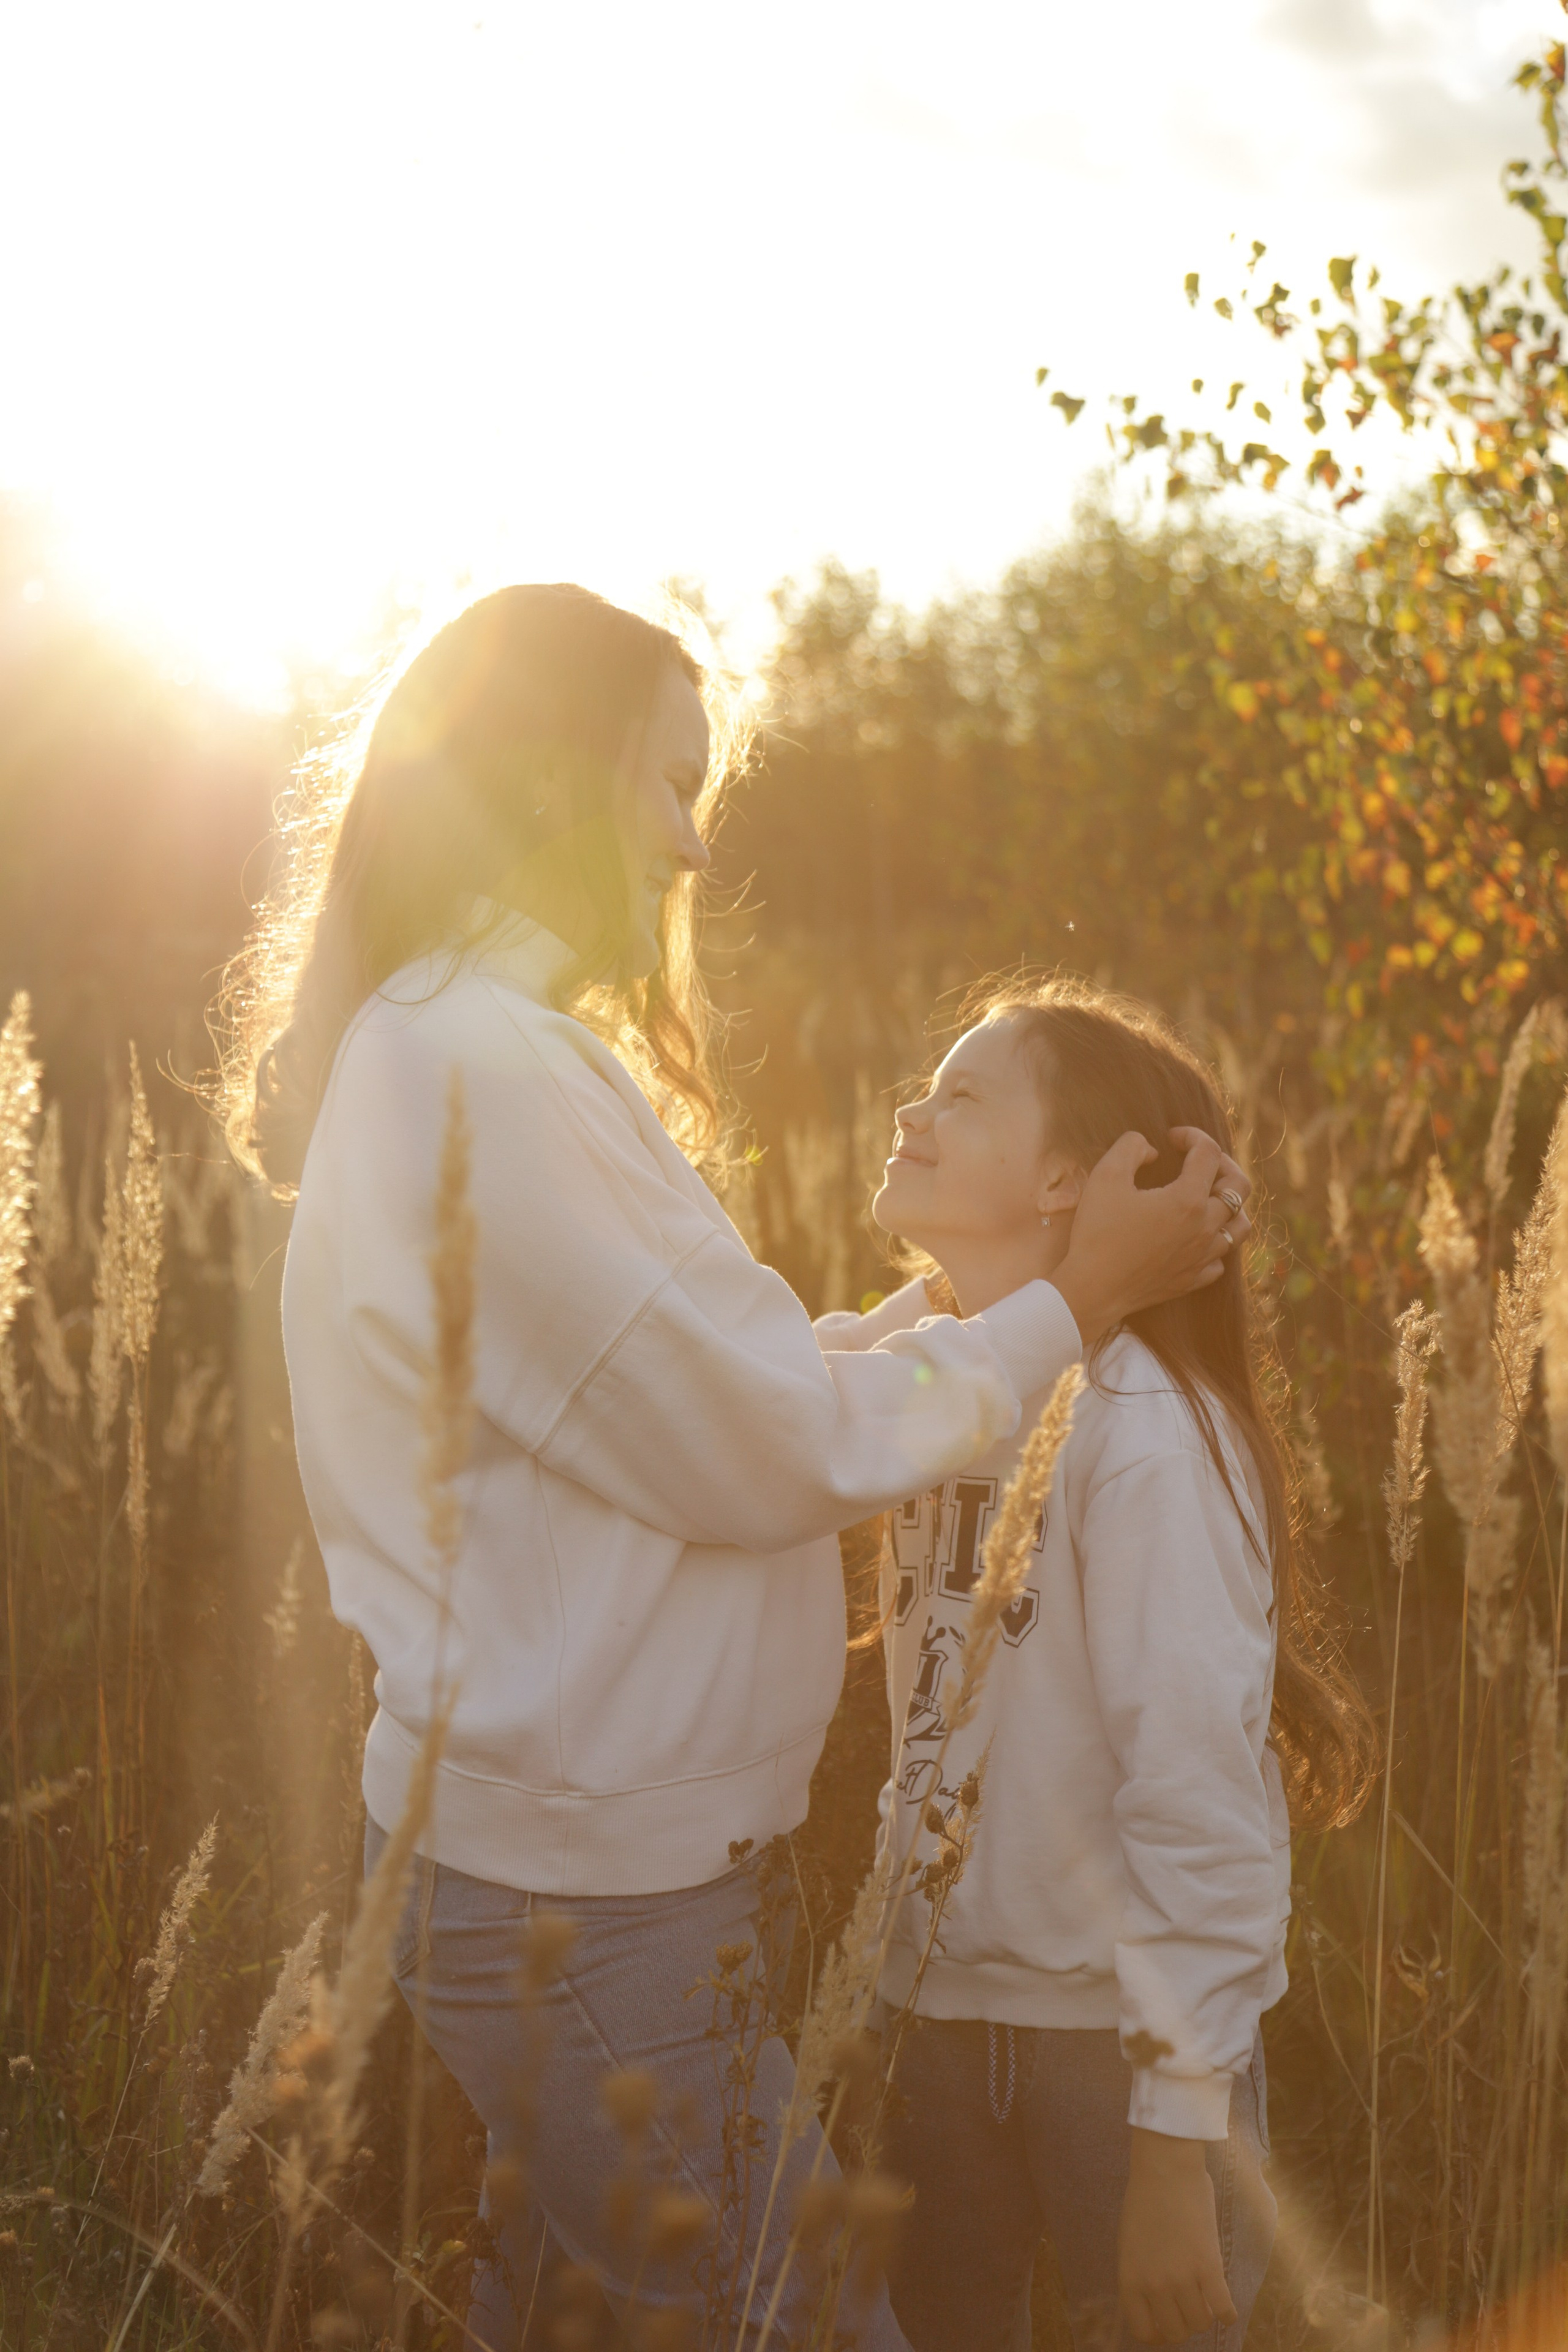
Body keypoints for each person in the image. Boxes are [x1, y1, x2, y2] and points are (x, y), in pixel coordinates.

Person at [218, 586, 1253, 2350]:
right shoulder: (484, 1069)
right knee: (796, 2317)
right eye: (673, 782)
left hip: (594, 1879)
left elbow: (693, 1393)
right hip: (579, 1896)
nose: (694, 844)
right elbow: (767, 1444)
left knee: (605, 2313)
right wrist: (1071, 1300)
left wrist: (975, 1313)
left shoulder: (475, 1046)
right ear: (550, 779)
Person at [821, 976, 1374, 2352]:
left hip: (1112, 2058)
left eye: (961, 1096)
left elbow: (1196, 1800)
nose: (910, 1111)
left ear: (1066, 1178)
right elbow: (783, 1392)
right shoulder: (943, 1382)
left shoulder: (1141, 1436)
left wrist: (1176, 2154)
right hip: (929, 2022)